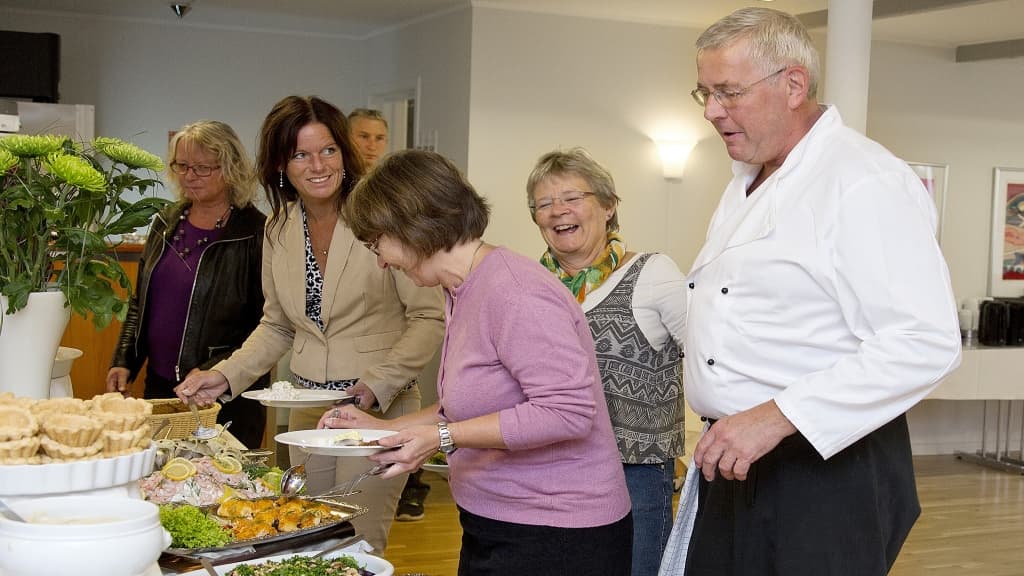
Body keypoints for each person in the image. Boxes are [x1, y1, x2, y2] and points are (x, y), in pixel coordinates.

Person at [659, 8, 962, 576]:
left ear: (793, 84)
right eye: (704, 92)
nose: (711, 111)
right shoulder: (750, 178)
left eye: (728, 92)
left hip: (821, 467)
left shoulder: (863, 180)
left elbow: (925, 341)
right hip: (741, 459)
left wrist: (775, 416)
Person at [325, 149, 633, 575]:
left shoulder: (514, 291)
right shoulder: (461, 288)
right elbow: (469, 404)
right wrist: (380, 428)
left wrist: (443, 437)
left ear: (413, 226)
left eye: (378, 243)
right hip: (498, 519)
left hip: (556, 532)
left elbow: (568, 413)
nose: (381, 260)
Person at [174, 96, 445, 552]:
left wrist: (378, 383)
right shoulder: (278, 226)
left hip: (377, 408)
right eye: (301, 154)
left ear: (345, 154)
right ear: (282, 164)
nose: (317, 165)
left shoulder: (384, 217)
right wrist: (225, 375)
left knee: (355, 544)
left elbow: (428, 315)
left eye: (328, 151)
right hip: (306, 411)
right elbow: (277, 324)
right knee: (305, 537)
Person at [527, 147, 686, 576]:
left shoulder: (653, 273)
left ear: (608, 204)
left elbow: (710, 354)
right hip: (550, 471)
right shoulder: (532, 285)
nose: (558, 211)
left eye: (572, 198)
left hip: (634, 472)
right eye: (544, 203)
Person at [107, 120, 268, 449]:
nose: (188, 175)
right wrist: (124, 359)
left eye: (202, 167)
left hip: (224, 394)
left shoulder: (257, 233)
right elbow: (141, 302)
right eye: (181, 165)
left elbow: (266, 325)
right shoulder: (165, 222)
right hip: (160, 387)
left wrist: (212, 372)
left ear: (230, 168)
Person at [348, 106, 432, 522]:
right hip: (327, 396)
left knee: (363, 526)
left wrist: (381, 380)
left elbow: (427, 317)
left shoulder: (402, 211)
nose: (370, 145)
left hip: (388, 387)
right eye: (363, 136)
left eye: (379, 138)